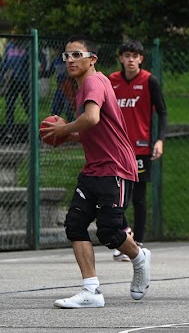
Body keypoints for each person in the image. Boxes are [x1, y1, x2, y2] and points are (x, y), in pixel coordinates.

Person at [39, 35, 150, 309]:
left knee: (109, 231)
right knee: (75, 225)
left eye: (77, 55)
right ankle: (91, 290)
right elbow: (94, 131)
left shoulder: (94, 81)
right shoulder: (83, 88)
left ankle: (139, 258)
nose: (71, 60)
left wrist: (62, 130)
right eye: (67, 56)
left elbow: (92, 119)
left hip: (116, 167)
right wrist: (67, 136)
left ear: (92, 59)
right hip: (94, 168)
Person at [108, 39, 169, 262]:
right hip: (115, 148)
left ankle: (138, 244)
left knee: (139, 198)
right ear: (120, 59)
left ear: (141, 59)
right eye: (127, 55)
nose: (131, 59)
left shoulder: (149, 81)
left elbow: (163, 112)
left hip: (140, 148)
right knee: (114, 196)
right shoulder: (111, 81)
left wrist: (159, 140)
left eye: (135, 56)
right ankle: (124, 237)